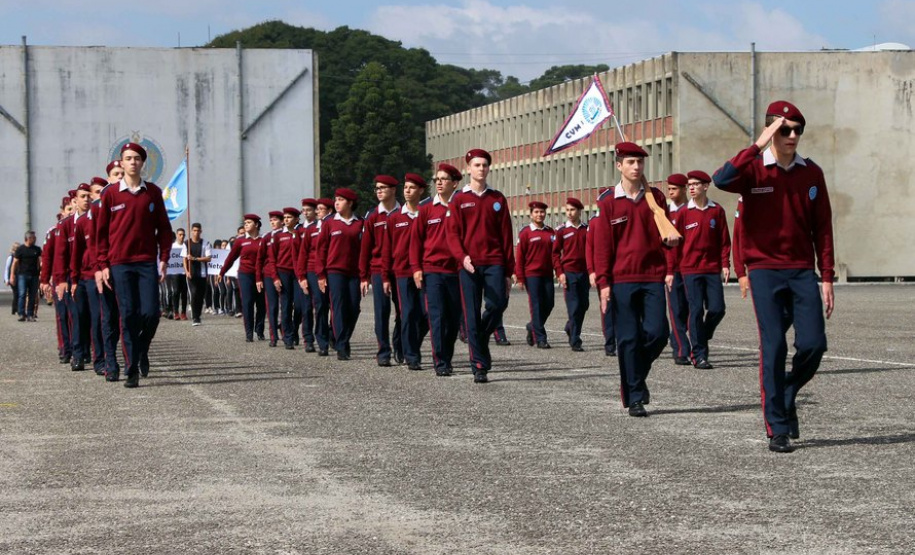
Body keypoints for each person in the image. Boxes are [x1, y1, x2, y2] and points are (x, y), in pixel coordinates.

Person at [712, 100, 834, 453]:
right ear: (772, 131)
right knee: (774, 345)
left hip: (801, 270)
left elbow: (823, 227)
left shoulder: (812, 173)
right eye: (785, 130)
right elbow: (721, 179)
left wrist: (827, 276)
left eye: (797, 130)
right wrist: (758, 144)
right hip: (764, 270)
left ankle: (788, 389)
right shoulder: (752, 170)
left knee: (814, 344)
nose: (792, 136)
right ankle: (777, 427)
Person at [594, 141, 679, 417]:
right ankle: (634, 397)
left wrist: (670, 261)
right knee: (628, 339)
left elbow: (665, 236)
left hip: (652, 276)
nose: (636, 166)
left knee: (658, 333)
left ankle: (635, 376)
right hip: (621, 280)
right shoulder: (608, 201)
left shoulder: (656, 198)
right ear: (619, 165)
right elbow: (602, 246)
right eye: (630, 162)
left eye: (640, 162)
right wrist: (604, 283)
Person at [96, 142, 174, 387]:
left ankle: (141, 349)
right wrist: (103, 264)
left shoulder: (152, 192)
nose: (132, 162)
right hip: (119, 263)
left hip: (146, 262)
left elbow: (164, 230)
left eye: (137, 158)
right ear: (122, 162)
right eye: (128, 158)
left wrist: (164, 259)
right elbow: (101, 234)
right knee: (128, 315)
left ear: (142, 163)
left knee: (151, 313)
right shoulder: (110, 194)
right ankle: (131, 370)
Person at [446, 148, 514, 383]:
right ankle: (479, 365)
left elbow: (506, 236)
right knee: (471, 314)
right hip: (469, 265)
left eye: (484, 165)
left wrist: (508, 271)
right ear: (469, 169)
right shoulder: (459, 199)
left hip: (494, 261)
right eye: (477, 165)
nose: (481, 169)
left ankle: (482, 337)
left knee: (498, 303)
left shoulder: (497, 199)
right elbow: (452, 234)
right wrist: (462, 257)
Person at [673, 170, 731, 369]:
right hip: (689, 269)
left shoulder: (717, 211)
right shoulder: (683, 213)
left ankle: (703, 334)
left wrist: (725, 264)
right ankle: (699, 356)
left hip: (712, 268)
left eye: (696, 184)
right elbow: (675, 244)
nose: (691, 188)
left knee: (717, 309)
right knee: (696, 310)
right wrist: (671, 271)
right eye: (689, 185)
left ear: (706, 186)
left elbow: (724, 241)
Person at [411, 163, 463, 377]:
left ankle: (447, 356)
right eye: (436, 179)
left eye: (443, 179)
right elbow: (416, 241)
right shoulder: (426, 209)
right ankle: (440, 361)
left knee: (453, 319)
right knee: (437, 316)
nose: (439, 183)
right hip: (432, 270)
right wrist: (416, 268)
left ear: (455, 183)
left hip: (457, 271)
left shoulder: (461, 206)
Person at [383, 173, 429, 371]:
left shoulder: (426, 214)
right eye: (405, 187)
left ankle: (407, 344)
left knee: (427, 313)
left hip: (425, 271)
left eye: (412, 187)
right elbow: (387, 249)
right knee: (407, 313)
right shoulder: (394, 218)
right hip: (401, 273)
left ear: (421, 191)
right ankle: (411, 356)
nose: (407, 191)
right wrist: (385, 276)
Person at [360, 175, 402, 366]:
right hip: (377, 269)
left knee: (404, 311)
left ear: (393, 190)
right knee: (381, 312)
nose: (379, 191)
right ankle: (383, 351)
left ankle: (400, 344)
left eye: (383, 188)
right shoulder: (373, 216)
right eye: (377, 188)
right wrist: (364, 276)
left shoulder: (404, 212)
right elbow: (365, 248)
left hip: (400, 269)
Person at [316, 188, 363, 361]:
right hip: (334, 271)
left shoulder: (360, 223)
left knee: (354, 307)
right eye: (336, 199)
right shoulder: (329, 223)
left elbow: (365, 249)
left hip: (354, 272)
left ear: (350, 203)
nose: (336, 203)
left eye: (341, 200)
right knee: (338, 307)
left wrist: (365, 274)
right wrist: (321, 274)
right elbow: (321, 249)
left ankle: (337, 335)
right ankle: (342, 345)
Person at [218, 215, 265, 342]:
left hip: (261, 275)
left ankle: (259, 330)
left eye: (249, 222)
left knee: (261, 304)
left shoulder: (263, 240)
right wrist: (222, 272)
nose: (246, 224)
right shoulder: (240, 241)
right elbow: (231, 258)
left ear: (256, 224)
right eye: (245, 223)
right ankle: (249, 333)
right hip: (245, 275)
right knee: (247, 303)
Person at [515, 201, 555, 349]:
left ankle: (532, 326)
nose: (540, 214)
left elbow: (555, 254)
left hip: (547, 274)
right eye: (536, 212)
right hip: (531, 275)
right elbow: (520, 257)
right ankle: (541, 338)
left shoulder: (550, 232)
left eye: (542, 212)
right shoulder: (525, 233)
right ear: (531, 215)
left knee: (549, 303)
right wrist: (520, 277)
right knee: (536, 305)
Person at [552, 197, 590, 352]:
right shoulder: (561, 230)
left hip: (584, 272)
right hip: (569, 273)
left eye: (572, 210)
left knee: (584, 305)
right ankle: (575, 339)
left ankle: (570, 327)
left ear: (579, 211)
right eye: (567, 210)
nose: (569, 213)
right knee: (573, 307)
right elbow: (555, 253)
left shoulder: (587, 229)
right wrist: (560, 273)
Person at [665, 173, 692, 365]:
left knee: (690, 310)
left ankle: (675, 336)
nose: (671, 192)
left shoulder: (692, 210)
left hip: (691, 268)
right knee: (675, 309)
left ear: (684, 189)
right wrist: (667, 270)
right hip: (672, 269)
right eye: (669, 189)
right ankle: (681, 350)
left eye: (674, 189)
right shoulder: (665, 214)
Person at [586, 187, 617, 356]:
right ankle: (610, 343)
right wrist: (592, 270)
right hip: (602, 270)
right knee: (608, 307)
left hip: (620, 269)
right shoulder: (595, 222)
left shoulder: (619, 217)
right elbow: (590, 247)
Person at [268, 207, 301, 349]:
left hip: (298, 274)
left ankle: (294, 328)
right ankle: (288, 337)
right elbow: (272, 258)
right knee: (286, 306)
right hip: (283, 273)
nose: (286, 220)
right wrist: (275, 277)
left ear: (296, 219)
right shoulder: (278, 236)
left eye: (289, 217)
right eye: (285, 217)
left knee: (300, 305)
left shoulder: (301, 233)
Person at [257, 211, 284, 346]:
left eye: (275, 220)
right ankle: (273, 336)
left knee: (285, 305)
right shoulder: (267, 237)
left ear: (282, 221)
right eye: (271, 220)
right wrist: (258, 278)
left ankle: (286, 332)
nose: (273, 222)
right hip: (268, 275)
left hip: (284, 273)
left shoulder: (286, 235)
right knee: (272, 306)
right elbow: (260, 259)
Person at [296, 198, 318, 352]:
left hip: (320, 271)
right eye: (303, 210)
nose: (306, 213)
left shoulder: (320, 227)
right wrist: (301, 276)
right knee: (306, 308)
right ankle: (308, 339)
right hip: (305, 272)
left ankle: (326, 334)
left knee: (322, 306)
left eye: (308, 210)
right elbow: (297, 254)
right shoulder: (299, 230)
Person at [181, 223, 212, 326]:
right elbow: (184, 259)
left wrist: (195, 258)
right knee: (193, 294)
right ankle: (195, 317)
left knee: (200, 295)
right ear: (191, 231)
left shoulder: (205, 243)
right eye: (194, 230)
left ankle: (198, 314)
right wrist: (187, 271)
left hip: (202, 273)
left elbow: (208, 258)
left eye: (198, 231)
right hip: (191, 274)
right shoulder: (187, 243)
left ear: (201, 231)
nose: (196, 233)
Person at [11, 233, 41, 322]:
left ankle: (30, 314)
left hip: (34, 275)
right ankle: (21, 314)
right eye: (33, 238)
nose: (35, 239)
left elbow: (41, 261)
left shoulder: (37, 249)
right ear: (28, 238)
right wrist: (12, 275)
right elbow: (15, 263)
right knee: (22, 294)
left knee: (32, 295)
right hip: (22, 275)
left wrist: (41, 272)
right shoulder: (20, 249)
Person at [168, 228, 188, 320]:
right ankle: (175, 311)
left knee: (184, 293)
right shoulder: (172, 247)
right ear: (176, 235)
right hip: (174, 272)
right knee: (176, 292)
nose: (182, 236)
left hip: (184, 272)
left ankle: (183, 312)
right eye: (180, 234)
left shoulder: (186, 246)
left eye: (183, 235)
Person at [5, 242, 20, 316]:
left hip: (19, 277)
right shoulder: (10, 258)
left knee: (19, 293)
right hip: (13, 277)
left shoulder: (20, 257)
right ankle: (15, 309)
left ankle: (17, 309)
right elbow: (7, 269)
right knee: (16, 293)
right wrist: (6, 280)